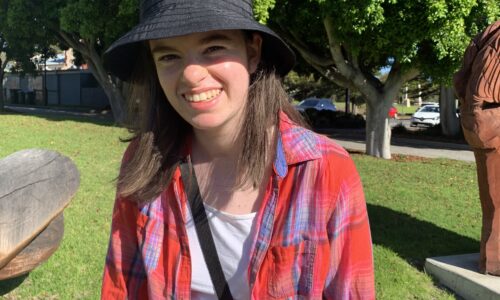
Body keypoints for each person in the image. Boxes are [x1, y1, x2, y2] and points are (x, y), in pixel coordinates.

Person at [101, 0, 375, 299]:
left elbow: (352, 291)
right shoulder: (145, 161)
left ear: (252, 53)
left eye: (214, 48)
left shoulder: (325, 170)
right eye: (168, 56)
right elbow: (122, 286)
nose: (192, 75)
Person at [453, 20, 500, 275]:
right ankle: (496, 261)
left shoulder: (489, 31)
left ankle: (491, 259)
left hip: (475, 118)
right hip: (493, 117)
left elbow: (459, 80)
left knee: (493, 200)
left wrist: (469, 105)